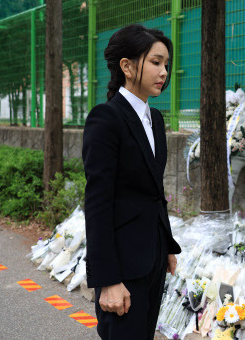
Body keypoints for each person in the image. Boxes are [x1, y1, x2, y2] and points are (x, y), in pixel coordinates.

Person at [82, 24, 182, 339]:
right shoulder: (106, 119)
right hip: (122, 266)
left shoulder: (156, 119)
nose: (163, 71)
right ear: (127, 66)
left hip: (152, 258)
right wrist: (107, 280)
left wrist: (165, 244)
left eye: (166, 63)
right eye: (155, 62)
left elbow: (154, 189)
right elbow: (98, 203)